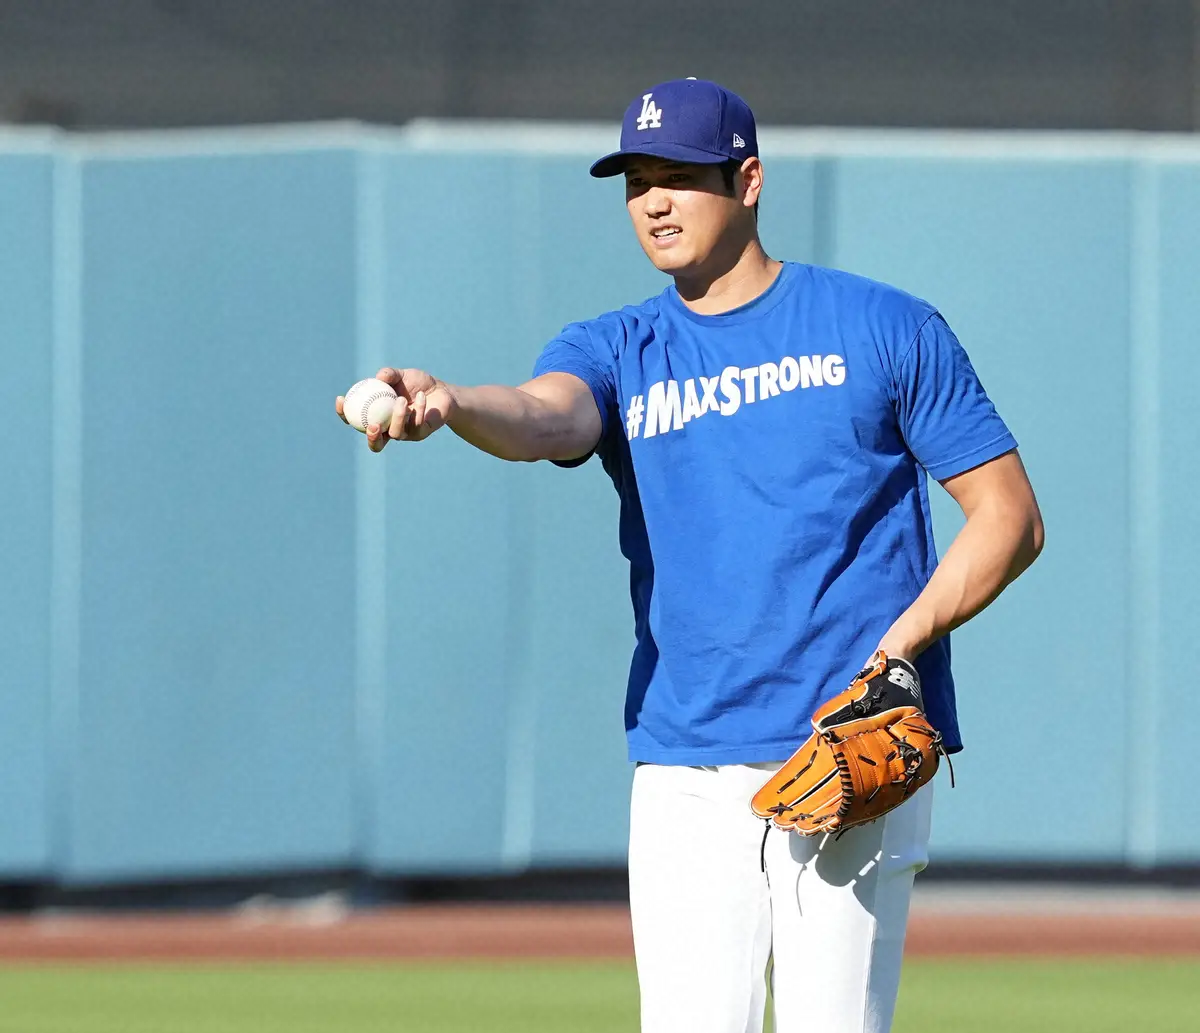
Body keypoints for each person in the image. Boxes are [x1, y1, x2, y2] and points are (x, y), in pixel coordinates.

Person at [336, 78, 1044, 1033]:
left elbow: (1008, 517)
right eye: (637, 181)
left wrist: (900, 648)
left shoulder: (884, 327)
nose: (655, 201)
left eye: (680, 176)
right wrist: (455, 402)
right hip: (683, 764)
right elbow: (548, 417)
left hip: (843, 744)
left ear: (747, 179)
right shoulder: (620, 348)